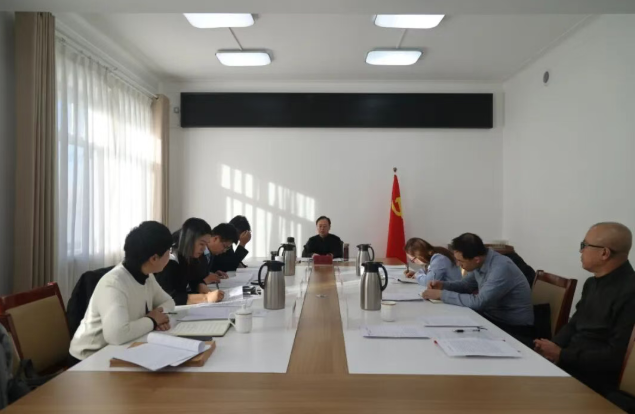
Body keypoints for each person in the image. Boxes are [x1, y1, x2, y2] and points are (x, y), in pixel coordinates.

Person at [534, 222, 635, 397]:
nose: (581, 251)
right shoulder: (591, 283)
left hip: (594, 379)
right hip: (569, 362)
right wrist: (552, 347)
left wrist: (562, 355)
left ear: (604, 253)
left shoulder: (630, 291)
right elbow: (574, 323)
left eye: (584, 245)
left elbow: (616, 355)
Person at [69, 221, 176, 362]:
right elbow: (116, 335)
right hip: (89, 358)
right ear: (154, 258)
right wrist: (152, 320)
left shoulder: (146, 275)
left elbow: (169, 302)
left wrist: (158, 318)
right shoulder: (114, 284)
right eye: (169, 251)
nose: (170, 255)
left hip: (121, 349)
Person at [423, 233, 534, 343]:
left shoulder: (501, 268)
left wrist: (442, 295)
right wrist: (443, 285)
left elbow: (479, 302)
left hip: (513, 327)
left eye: (461, 261)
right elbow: (466, 285)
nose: (457, 264)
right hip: (491, 317)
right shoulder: (480, 261)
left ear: (476, 259)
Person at [154, 218, 225, 306]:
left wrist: (202, 287)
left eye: (206, 245)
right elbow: (168, 297)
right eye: (201, 244)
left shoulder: (191, 256)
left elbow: (193, 280)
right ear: (189, 240)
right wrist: (205, 298)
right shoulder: (169, 260)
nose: (204, 249)